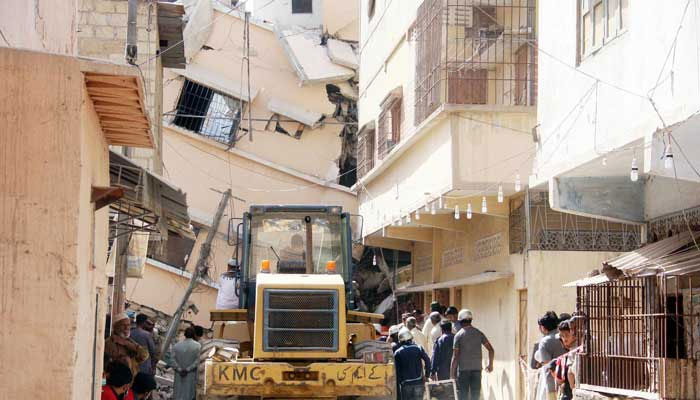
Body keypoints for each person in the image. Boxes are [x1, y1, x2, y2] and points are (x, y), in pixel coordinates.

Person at [450, 309, 494, 400]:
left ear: (460, 321)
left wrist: (452, 374)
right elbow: (491, 350)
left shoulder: (458, 336)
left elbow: (455, 357)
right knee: (475, 396)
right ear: (470, 320)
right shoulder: (479, 333)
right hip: (477, 370)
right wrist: (490, 365)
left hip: (463, 371)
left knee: (463, 396)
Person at [105, 313, 149, 381]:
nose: (127, 328)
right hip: (116, 382)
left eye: (128, 325)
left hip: (128, 383)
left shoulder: (128, 341)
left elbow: (144, 355)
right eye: (123, 325)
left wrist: (127, 344)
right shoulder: (110, 343)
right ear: (115, 326)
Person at [534, 311, 566, 400]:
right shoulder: (563, 335)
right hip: (567, 380)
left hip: (552, 383)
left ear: (543, 327)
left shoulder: (545, 341)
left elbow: (548, 365)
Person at [394, 328, 431, 400]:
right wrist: (427, 375)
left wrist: (399, 384)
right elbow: (427, 360)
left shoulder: (397, 352)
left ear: (401, 341)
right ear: (411, 338)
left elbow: (397, 371)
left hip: (405, 385)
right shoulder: (418, 348)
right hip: (418, 383)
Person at [171, 327, 201, 400]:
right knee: (188, 394)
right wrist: (188, 369)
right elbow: (198, 361)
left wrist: (179, 369)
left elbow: (172, 360)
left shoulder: (177, 345)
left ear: (185, 334)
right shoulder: (198, 346)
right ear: (194, 334)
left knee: (178, 393)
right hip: (190, 375)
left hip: (179, 374)